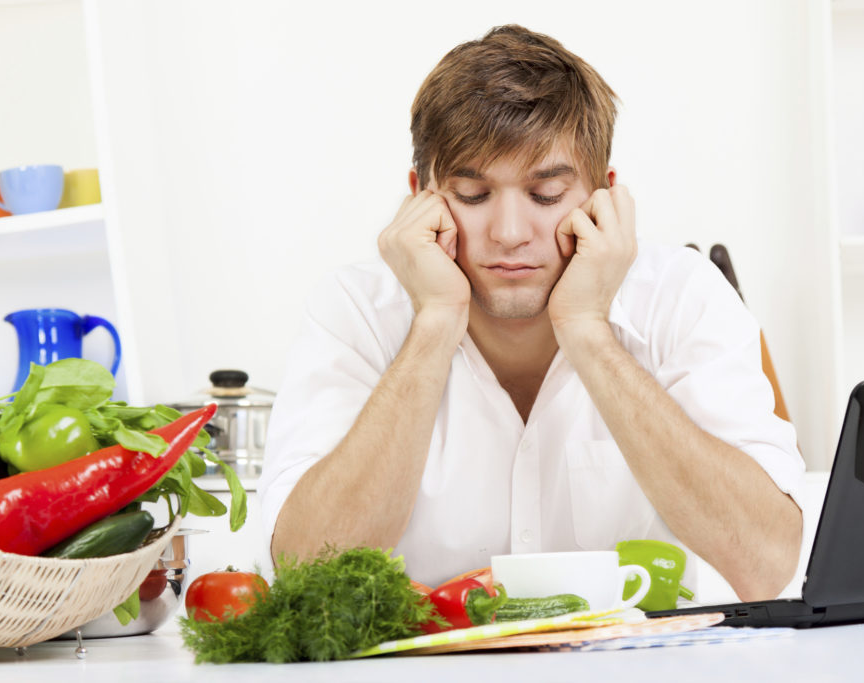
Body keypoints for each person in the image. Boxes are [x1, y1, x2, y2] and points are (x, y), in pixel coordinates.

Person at [258, 24, 804, 601]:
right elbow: (306, 578)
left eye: (546, 195)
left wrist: (589, 332)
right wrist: (435, 321)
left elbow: (766, 564)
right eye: (472, 195)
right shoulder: (355, 311)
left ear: (603, 196)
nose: (510, 234)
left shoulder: (683, 296)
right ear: (419, 195)